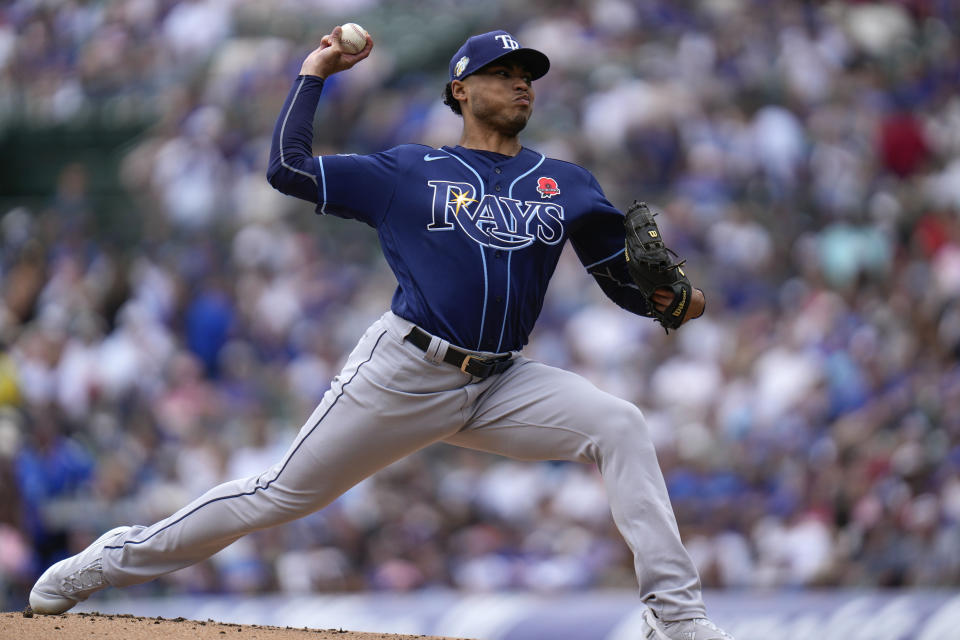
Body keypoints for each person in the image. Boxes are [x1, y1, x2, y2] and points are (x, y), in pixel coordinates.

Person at [29, 27, 733, 640]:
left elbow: (625, 280)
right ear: (460, 90)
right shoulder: (409, 169)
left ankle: (673, 618)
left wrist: (683, 302)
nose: (521, 85)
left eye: (528, 77)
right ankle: (107, 561)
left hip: (502, 381)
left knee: (621, 425)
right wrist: (313, 76)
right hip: (405, 369)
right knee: (276, 495)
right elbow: (288, 170)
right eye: (504, 74)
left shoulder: (567, 182)